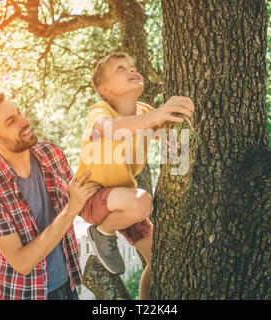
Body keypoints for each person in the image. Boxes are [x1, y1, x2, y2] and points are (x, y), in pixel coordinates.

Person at [75, 52, 194, 299]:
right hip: (93, 195)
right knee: (142, 202)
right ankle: (102, 233)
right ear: (105, 89)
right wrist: (156, 116)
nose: (132, 70)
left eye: (132, 66)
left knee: (159, 260)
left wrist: (180, 123)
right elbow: (108, 130)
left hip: (125, 200)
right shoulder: (102, 110)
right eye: (121, 68)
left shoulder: (145, 111)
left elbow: (172, 140)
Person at [0, 93, 101, 300]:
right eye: (11, 121)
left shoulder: (51, 153)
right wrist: (70, 209)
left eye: (18, 113)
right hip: (27, 294)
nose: (25, 121)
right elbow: (22, 263)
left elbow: (84, 200)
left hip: (69, 283)